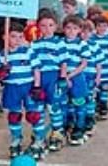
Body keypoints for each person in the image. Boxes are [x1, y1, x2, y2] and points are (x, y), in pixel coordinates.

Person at [0, 22, 46, 160]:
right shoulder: (1, 56)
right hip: (12, 88)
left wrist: (37, 86)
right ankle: (16, 140)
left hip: (28, 87)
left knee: (34, 115)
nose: (17, 40)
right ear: (5, 37)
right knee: (14, 116)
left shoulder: (28, 51)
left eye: (20, 36)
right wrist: (2, 72)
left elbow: (36, 69)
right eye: (13, 36)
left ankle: (39, 140)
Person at [31, 8, 68, 152]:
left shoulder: (60, 43)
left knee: (54, 108)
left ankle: (57, 133)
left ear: (56, 26)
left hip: (53, 78)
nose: (47, 29)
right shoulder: (34, 44)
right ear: (38, 27)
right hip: (38, 79)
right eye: (43, 25)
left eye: (51, 25)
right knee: (37, 108)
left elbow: (63, 62)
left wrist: (63, 78)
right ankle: (39, 135)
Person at [62, 15, 91, 145]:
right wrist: (64, 76)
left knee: (79, 103)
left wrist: (70, 75)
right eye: (68, 28)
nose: (71, 31)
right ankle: (67, 125)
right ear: (63, 29)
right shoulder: (59, 43)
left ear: (79, 30)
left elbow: (84, 64)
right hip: (62, 76)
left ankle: (80, 127)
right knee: (65, 103)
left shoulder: (82, 44)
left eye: (74, 28)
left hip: (76, 77)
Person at [90, 16, 108, 120]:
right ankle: (96, 107)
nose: (102, 28)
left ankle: (103, 107)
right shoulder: (92, 39)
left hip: (107, 69)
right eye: (99, 26)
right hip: (96, 70)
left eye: (105, 26)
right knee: (95, 90)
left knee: (105, 90)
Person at [80, 19, 105, 137]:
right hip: (79, 76)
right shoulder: (77, 44)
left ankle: (90, 119)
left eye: (88, 32)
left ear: (92, 32)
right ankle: (79, 120)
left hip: (90, 76)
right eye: (82, 32)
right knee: (79, 100)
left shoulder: (95, 45)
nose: (85, 35)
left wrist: (98, 76)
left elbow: (99, 63)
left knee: (90, 98)